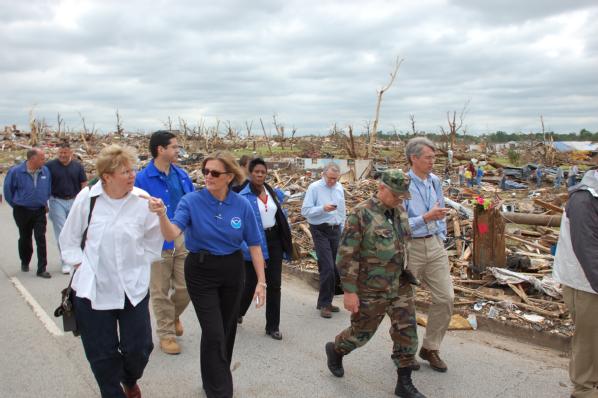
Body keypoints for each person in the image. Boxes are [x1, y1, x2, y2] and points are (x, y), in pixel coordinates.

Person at [145, 150, 266, 398]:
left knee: (227, 328)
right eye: (205, 171)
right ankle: (221, 389)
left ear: (229, 176)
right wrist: (161, 215)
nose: (208, 176)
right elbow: (171, 233)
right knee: (213, 331)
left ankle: (211, 379)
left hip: (232, 270)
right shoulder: (191, 201)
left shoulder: (241, 205)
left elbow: (254, 245)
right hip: (201, 271)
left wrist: (261, 282)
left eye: (214, 173)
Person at [59, 145, 163, 398]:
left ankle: (129, 378)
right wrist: (81, 265)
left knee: (140, 348)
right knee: (101, 354)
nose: (132, 175)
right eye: (125, 171)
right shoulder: (88, 199)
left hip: (132, 288)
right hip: (94, 290)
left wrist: (143, 261)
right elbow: (69, 238)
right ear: (107, 176)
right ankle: (112, 391)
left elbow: (154, 235)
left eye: (132, 170)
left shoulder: (141, 200)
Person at [325, 169, 426, 398]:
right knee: (361, 333)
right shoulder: (361, 214)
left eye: (402, 195)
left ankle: (404, 382)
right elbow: (346, 256)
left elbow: (402, 246)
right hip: (371, 287)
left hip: (399, 284)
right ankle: (336, 349)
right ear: (381, 188)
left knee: (407, 330)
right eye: (395, 194)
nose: (400, 199)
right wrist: (350, 292)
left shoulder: (399, 211)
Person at [134, 131, 194, 355]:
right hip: (156, 241)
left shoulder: (182, 175)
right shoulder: (142, 179)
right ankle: (166, 335)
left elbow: (192, 203)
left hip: (181, 237)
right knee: (159, 290)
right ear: (160, 149)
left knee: (186, 287)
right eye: (174, 147)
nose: (178, 150)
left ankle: (173, 315)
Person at [403, 137, 453, 373]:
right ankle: (405, 350)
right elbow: (398, 224)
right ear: (414, 158)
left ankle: (431, 347)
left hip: (434, 245)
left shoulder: (435, 181)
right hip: (411, 247)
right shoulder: (401, 184)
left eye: (434, 157)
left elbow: (439, 209)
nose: (433, 161)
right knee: (406, 302)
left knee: (446, 298)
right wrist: (425, 218)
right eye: (428, 157)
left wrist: (440, 235)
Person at [553, 165, 598, 398]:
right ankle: (584, 391)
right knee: (589, 342)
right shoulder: (584, 200)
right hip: (586, 284)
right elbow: (587, 249)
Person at [238, 158, 293, 340]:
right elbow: (237, 224)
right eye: (256, 172)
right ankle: (237, 313)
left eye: (263, 172)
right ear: (250, 173)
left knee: (274, 284)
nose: (260, 175)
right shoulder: (241, 195)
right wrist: (243, 246)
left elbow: (279, 213)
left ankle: (272, 326)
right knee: (250, 284)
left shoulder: (270, 191)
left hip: (274, 240)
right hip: (254, 242)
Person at [301, 162, 346, 318]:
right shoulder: (315, 188)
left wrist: (343, 228)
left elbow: (342, 211)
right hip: (319, 229)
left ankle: (326, 301)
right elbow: (305, 211)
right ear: (323, 174)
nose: (333, 181)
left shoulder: (339, 188)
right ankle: (325, 304)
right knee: (327, 266)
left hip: (335, 230)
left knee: (334, 267)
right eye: (330, 178)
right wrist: (322, 208)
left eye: (335, 178)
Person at [3, 147, 52, 278]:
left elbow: (48, 188)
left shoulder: (45, 171)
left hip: (39, 210)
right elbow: (8, 191)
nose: (44, 161)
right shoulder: (16, 172)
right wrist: (17, 204)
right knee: (25, 238)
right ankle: (25, 261)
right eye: (42, 158)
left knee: (40, 238)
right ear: (32, 159)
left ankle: (42, 268)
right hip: (22, 210)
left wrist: (44, 201)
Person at [45, 142, 88, 274]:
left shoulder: (77, 166)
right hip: (56, 201)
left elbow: (84, 184)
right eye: (60, 153)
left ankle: (78, 259)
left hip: (74, 201)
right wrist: (45, 202)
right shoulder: (50, 166)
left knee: (76, 230)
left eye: (65, 153)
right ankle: (65, 262)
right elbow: (44, 183)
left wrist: (84, 201)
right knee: (62, 231)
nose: (62, 155)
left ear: (71, 153)